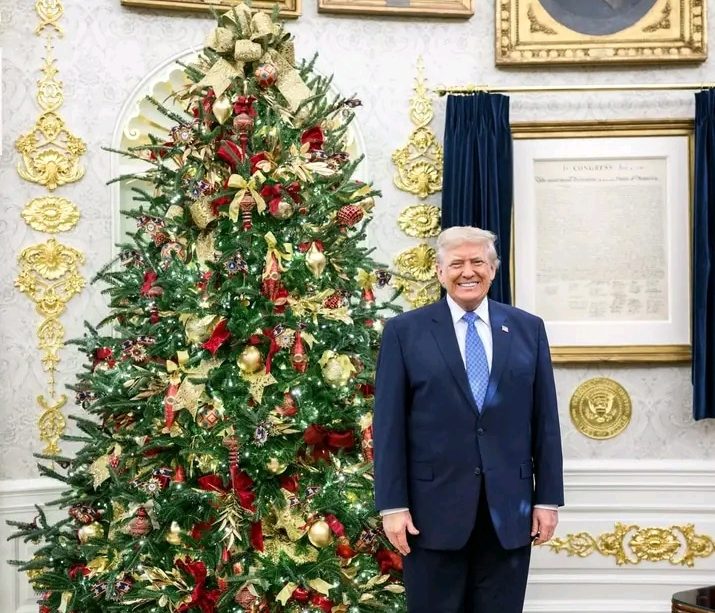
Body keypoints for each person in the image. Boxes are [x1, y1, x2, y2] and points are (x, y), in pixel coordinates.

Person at [373, 226, 564, 613]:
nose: (468, 271)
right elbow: (389, 426)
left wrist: (547, 499)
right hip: (430, 514)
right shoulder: (404, 332)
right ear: (440, 271)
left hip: (509, 514)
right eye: (457, 263)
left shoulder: (528, 329)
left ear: (493, 269)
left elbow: (544, 420)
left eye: (477, 261)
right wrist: (392, 506)